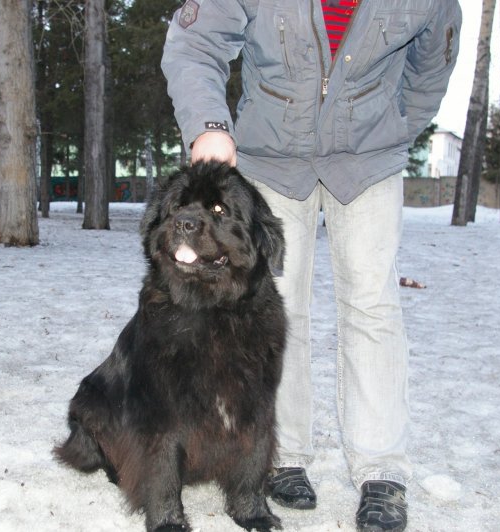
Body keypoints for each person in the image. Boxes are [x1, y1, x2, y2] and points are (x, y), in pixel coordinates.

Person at [161, 1, 461, 530]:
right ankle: (284, 454)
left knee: (374, 307)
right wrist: (208, 124)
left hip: (369, 156)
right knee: (277, 306)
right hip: (272, 156)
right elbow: (195, 43)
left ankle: (382, 471)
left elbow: (432, 59)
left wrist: (394, 127)